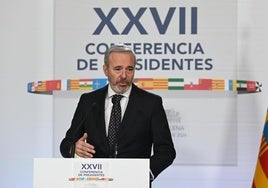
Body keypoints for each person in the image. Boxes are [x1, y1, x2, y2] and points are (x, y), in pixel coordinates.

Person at [60, 44, 176, 182]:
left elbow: (166, 151)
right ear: (105, 70)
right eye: (118, 69)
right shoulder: (88, 101)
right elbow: (66, 144)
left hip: (134, 183)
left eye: (129, 69)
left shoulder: (151, 103)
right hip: (95, 183)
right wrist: (74, 148)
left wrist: (145, 174)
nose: (124, 76)